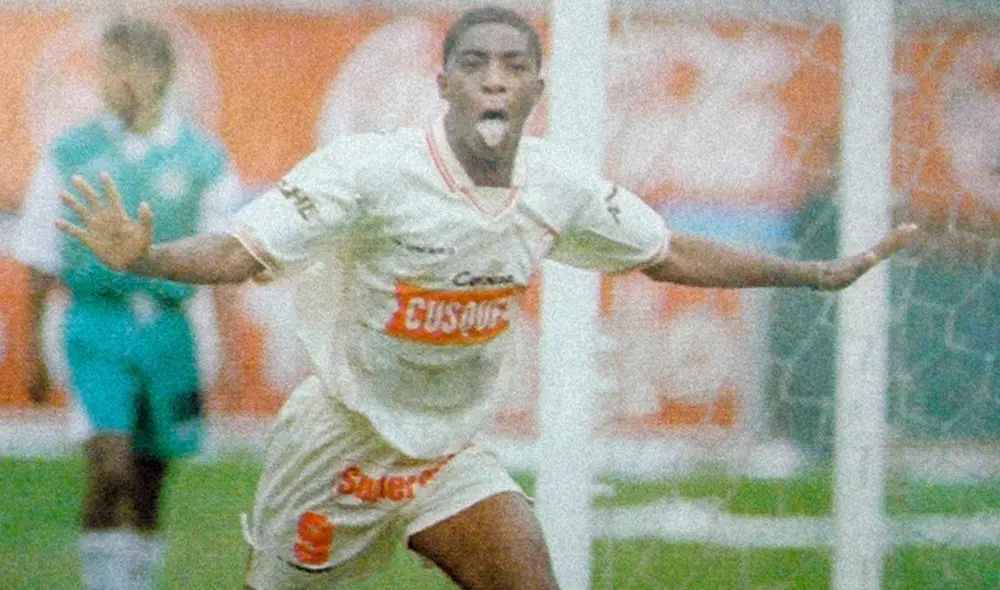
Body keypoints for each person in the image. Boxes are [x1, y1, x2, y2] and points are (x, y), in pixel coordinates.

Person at [56, 7, 917, 589]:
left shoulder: (557, 184)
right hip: (340, 443)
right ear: (444, 85)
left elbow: (668, 250)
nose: (496, 79)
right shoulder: (371, 171)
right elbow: (243, 250)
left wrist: (812, 274)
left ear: (539, 88)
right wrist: (153, 254)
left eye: (515, 66)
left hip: (445, 454)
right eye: (476, 64)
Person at [14, 17, 240, 590]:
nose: (112, 81)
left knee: (149, 477)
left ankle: (134, 581)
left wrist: (230, 351)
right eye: (105, 68)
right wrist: (32, 353)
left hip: (168, 330)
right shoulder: (72, 153)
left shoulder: (202, 158)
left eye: (124, 66)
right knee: (109, 465)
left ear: (161, 72)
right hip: (96, 325)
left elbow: (224, 258)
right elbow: (39, 260)